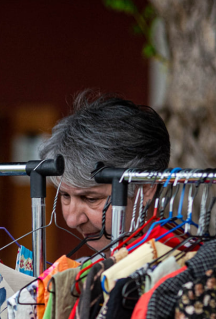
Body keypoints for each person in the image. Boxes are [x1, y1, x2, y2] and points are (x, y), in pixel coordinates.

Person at [39, 91, 171, 251]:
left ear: (144, 187)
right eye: (65, 195)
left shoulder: (189, 268)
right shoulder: (85, 270)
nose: (72, 220)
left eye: (90, 199)